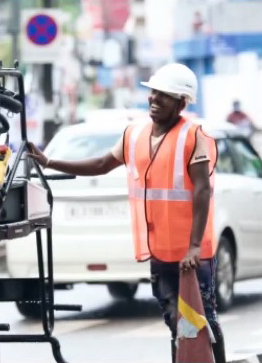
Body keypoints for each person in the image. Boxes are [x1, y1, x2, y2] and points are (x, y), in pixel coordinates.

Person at [27, 63, 226, 363]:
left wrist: (195, 246)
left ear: (182, 102)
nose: (155, 99)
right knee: (176, 323)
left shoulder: (194, 136)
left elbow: (202, 190)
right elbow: (100, 165)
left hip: (192, 255)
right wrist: (49, 162)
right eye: (153, 92)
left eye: (165, 95)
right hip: (161, 253)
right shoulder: (134, 135)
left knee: (202, 320)